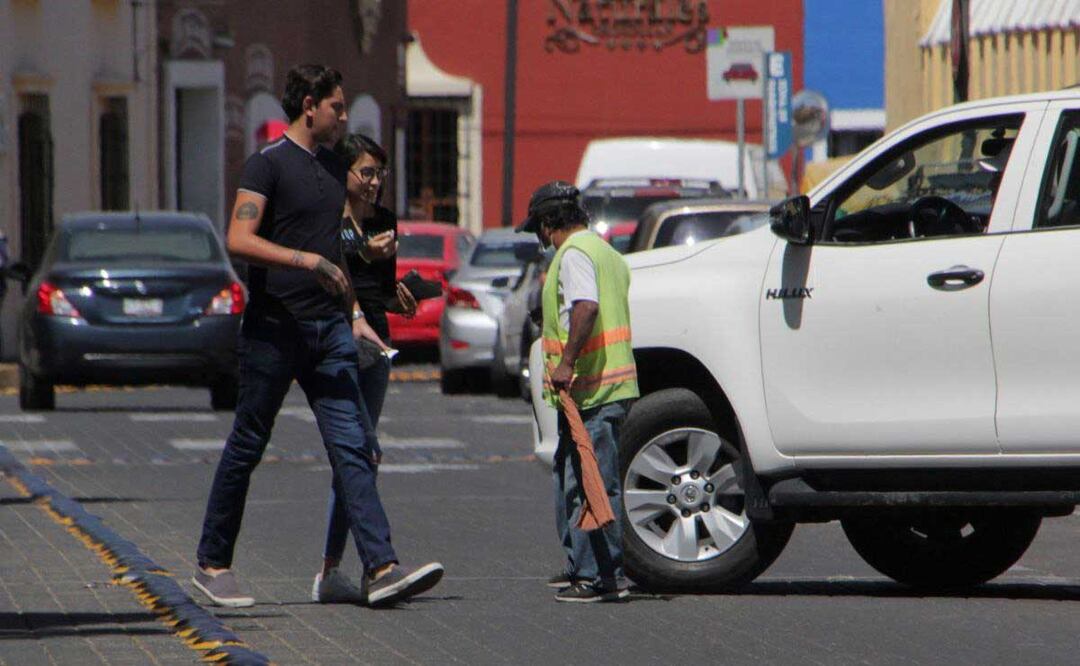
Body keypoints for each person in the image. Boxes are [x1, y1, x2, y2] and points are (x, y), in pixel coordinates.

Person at [191, 64, 442, 609]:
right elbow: (239, 237)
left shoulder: (334, 170)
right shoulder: (267, 165)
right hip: (274, 330)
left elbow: (336, 254)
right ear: (310, 105)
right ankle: (213, 564)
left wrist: (354, 313)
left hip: (330, 329)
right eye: (337, 106)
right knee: (248, 444)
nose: (343, 116)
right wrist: (303, 260)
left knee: (354, 446)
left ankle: (381, 566)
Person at [518, 180, 639, 603]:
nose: (541, 239)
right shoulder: (607, 252)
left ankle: (601, 577)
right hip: (595, 392)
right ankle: (580, 566)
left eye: (539, 229)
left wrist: (566, 362)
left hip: (594, 389)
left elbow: (586, 307)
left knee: (593, 483)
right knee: (572, 478)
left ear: (551, 223)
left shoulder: (574, 254)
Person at [312, 132, 418, 602]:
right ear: (346, 175)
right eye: (367, 173)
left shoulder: (385, 220)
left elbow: (378, 287)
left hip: (377, 341)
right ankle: (375, 565)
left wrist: (402, 298)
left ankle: (331, 570)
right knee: (361, 450)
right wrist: (363, 253)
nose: (375, 182)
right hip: (338, 336)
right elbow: (335, 272)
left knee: (356, 461)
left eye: (381, 173)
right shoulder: (332, 222)